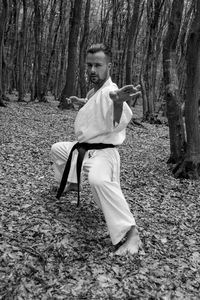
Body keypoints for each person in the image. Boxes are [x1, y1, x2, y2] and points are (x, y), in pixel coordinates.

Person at [50, 43, 141, 255]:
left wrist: (118, 103)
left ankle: (131, 233)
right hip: (84, 148)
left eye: (98, 65)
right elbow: (94, 104)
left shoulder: (111, 91)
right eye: (89, 65)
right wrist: (81, 102)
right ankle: (72, 182)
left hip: (104, 151)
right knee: (58, 150)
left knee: (98, 180)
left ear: (109, 66)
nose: (92, 70)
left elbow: (117, 119)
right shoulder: (95, 91)